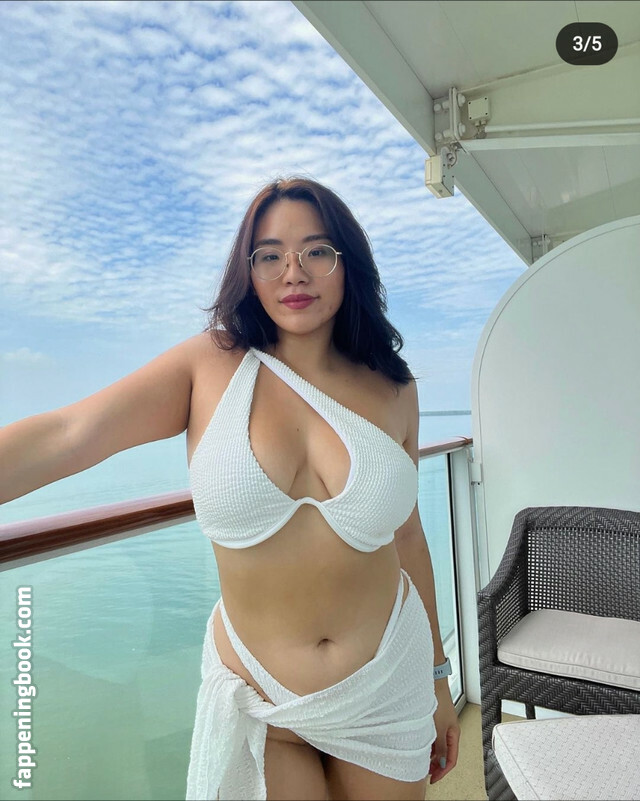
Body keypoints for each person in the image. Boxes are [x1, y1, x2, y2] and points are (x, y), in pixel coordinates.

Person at [1, 176, 460, 801]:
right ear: (248, 271)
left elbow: (407, 537)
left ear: (348, 263)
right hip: (258, 694)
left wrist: (438, 678)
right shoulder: (209, 365)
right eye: (269, 255)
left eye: (316, 251)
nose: (293, 272)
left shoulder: (394, 387)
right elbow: (69, 433)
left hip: (387, 685)